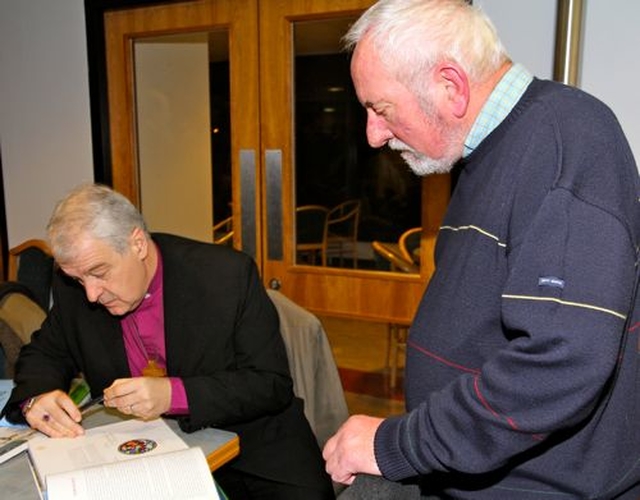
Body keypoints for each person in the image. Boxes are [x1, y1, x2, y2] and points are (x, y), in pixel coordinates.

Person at [323, 0, 640, 498]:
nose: (373, 134)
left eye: (381, 109)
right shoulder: (486, 154)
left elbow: (563, 359)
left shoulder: (565, 139)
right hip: (476, 471)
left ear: (450, 86)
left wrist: (397, 445)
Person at [2, 183, 334, 499]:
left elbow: (269, 384)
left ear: (137, 244)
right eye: (77, 279)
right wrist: (36, 397)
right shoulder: (76, 288)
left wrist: (174, 394)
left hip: (254, 449)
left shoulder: (225, 276)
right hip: (144, 451)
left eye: (100, 273)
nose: (90, 294)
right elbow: (44, 352)